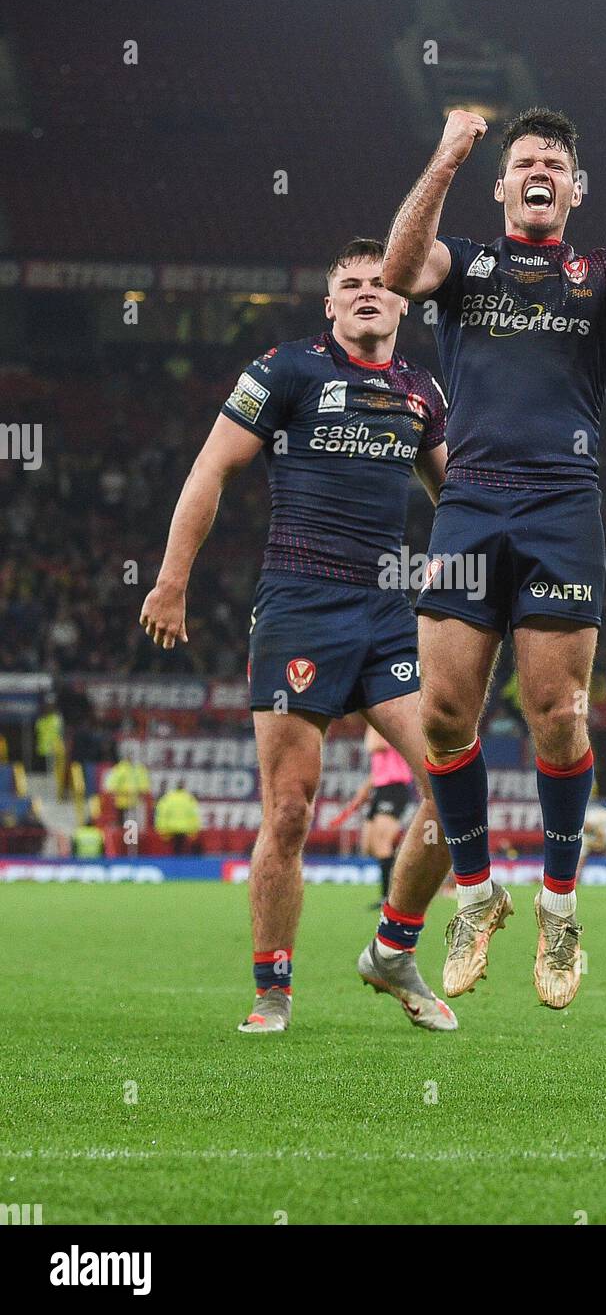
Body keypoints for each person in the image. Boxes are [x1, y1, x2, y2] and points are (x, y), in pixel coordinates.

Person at [382, 105, 606, 1007]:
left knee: (555, 712)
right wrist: (445, 152)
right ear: (501, 183)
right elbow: (403, 269)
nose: (538, 171)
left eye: (554, 164)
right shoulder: (470, 264)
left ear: (573, 187)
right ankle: (477, 898)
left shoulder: (601, 272)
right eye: (523, 161)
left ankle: (559, 910)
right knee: (446, 714)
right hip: (470, 502)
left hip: (561, 507)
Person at [140, 238, 458, 1034]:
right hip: (299, 609)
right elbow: (211, 469)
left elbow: (459, 497)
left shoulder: (420, 391)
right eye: (347, 284)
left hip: (389, 616)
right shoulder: (285, 370)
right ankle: (273, 991)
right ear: (329, 304)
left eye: (379, 284)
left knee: (457, 790)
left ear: (401, 302)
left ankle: (392, 948)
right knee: (289, 810)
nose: (364, 293)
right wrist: (171, 579)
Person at [330, 723, 417, 908]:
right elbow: (378, 767)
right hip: (380, 790)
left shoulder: (388, 727)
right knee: (368, 845)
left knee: (382, 842)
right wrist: (362, 793)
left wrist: (370, 724)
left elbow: (373, 746)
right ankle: (398, 881)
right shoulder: (378, 728)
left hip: (395, 788)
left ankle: (391, 898)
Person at [154, 786, 202, 856]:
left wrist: (161, 829)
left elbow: (161, 814)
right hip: (185, 828)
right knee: (182, 849)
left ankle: (173, 863)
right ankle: (181, 863)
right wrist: (194, 831)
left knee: (172, 849)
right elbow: (194, 815)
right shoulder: (189, 799)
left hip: (170, 828)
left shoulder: (167, 799)